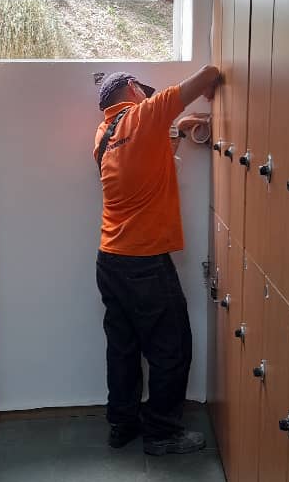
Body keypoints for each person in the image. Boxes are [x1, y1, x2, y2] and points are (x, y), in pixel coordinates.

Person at [94, 66, 220, 455]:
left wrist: (179, 129)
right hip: (144, 261)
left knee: (123, 347)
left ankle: (122, 425)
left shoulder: (103, 135)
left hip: (110, 260)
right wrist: (208, 90)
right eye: (143, 91)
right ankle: (162, 433)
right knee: (172, 348)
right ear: (133, 88)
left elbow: (151, 161)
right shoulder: (144, 114)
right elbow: (209, 73)